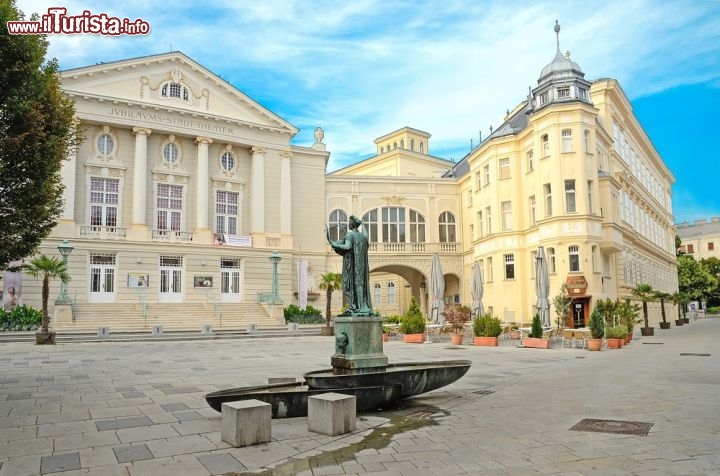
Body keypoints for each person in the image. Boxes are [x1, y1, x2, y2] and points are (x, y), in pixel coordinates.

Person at [326, 215, 373, 316]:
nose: (348, 224)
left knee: (348, 286)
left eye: (349, 222)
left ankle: (354, 306)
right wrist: (363, 224)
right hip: (361, 267)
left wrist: (335, 244)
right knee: (360, 285)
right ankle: (362, 306)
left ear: (353, 224)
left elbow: (347, 246)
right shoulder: (363, 237)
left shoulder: (350, 235)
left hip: (351, 267)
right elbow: (366, 234)